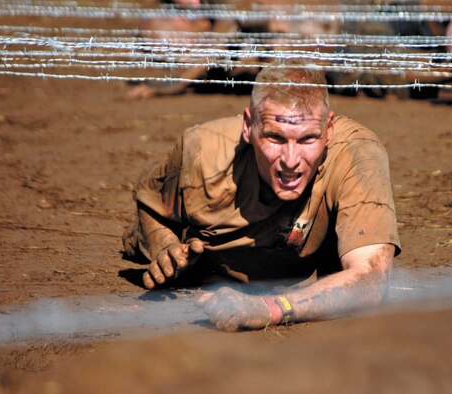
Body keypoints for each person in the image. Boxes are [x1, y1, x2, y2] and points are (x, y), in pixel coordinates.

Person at [122, 65, 401, 331]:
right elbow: (150, 201)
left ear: (329, 129)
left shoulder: (358, 155)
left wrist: (270, 308)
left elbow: (371, 278)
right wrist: (164, 245)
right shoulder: (203, 152)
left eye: (307, 140)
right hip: (211, 257)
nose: (291, 161)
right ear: (248, 126)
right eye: (275, 138)